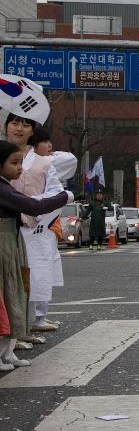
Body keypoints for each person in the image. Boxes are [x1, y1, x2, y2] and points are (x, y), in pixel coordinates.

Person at [0, 140, 68, 369]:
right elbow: (32, 206)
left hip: (12, 242)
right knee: (7, 293)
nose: (19, 168)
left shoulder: (6, 186)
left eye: (20, 162)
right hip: (4, 245)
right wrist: (64, 197)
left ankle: (7, 353)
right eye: (14, 163)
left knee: (14, 293)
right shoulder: (2, 188)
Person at [7, 117, 75, 336]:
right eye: (14, 123)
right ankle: (12, 332)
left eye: (25, 125)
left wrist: (34, 204)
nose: (19, 129)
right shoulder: (2, 154)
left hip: (36, 225)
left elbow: (55, 191)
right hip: (7, 224)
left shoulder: (44, 162)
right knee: (10, 278)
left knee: (37, 274)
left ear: (32, 131)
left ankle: (27, 325)